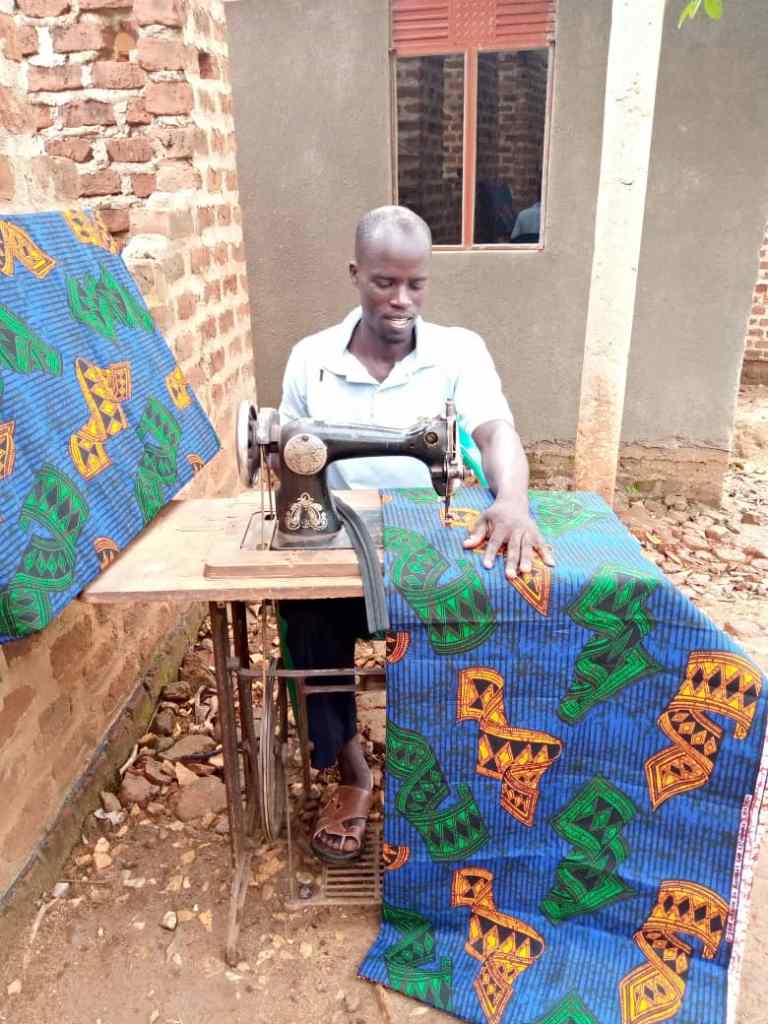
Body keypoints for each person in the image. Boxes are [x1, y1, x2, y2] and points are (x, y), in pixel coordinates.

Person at [278, 205, 553, 863]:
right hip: (344, 551)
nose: (401, 299)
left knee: (493, 603)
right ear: (355, 274)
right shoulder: (311, 360)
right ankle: (352, 773)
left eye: (416, 283)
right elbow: (287, 449)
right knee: (305, 616)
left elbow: (496, 432)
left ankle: (462, 763)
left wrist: (513, 500)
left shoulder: (459, 351)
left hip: (432, 546)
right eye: (384, 282)